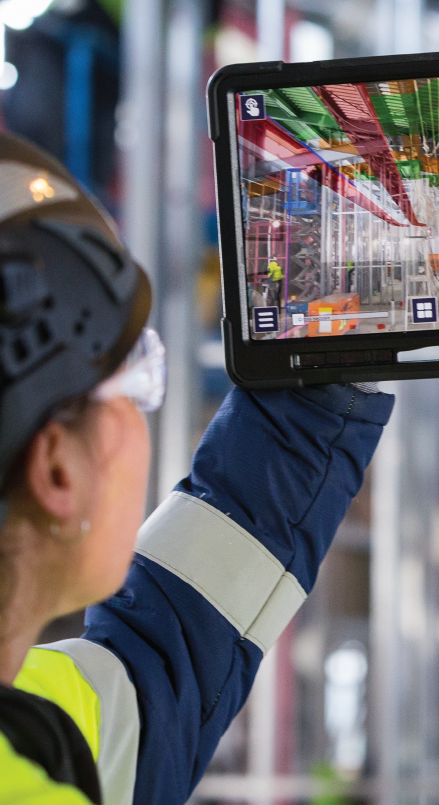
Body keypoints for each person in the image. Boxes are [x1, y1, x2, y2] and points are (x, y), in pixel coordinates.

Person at [0, 132, 394, 805]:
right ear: (57, 471)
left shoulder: (47, 731)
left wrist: (312, 377)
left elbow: (164, 651)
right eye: (134, 382)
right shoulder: (43, 760)